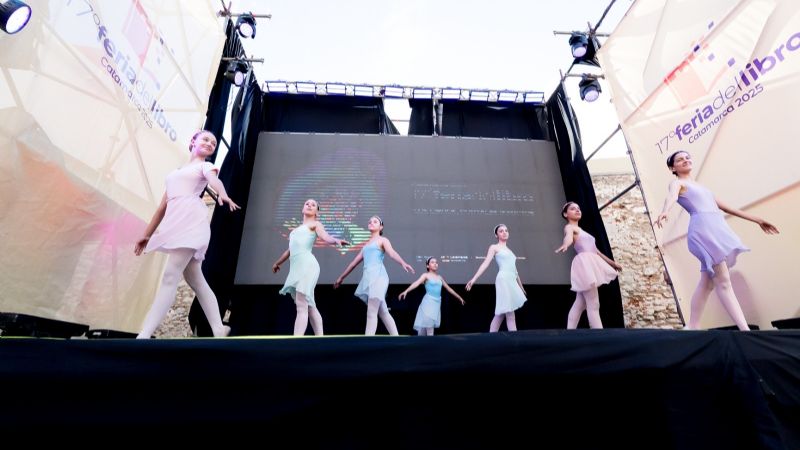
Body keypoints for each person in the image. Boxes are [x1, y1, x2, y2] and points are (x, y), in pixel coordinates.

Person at [654, 150, 779, 330]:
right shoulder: (677, 183)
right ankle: (744, 330)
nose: (685, 160)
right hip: (703, 230)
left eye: (687, 157)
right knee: (724, 281)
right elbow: (671, 197)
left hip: (716, 228)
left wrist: (758, 219)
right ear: (673, 167)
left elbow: (728, 208)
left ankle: (693, 325)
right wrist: (665, 211)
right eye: (680, 159)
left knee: (707, 283)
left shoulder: (702, 188)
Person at [134, 130, 240, 339]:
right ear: (193, 141)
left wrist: (223, 194)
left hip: (191, 223)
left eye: (214, 143)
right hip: (177, 222)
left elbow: (214, 181)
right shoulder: (175, 173)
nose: (210, 144)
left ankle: (144, 335)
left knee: (169, 276)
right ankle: (219, 330)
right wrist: (147, 234)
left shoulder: (206, 166)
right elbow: (161, 207)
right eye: (206, 139)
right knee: (196, 280)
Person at [272, 199, 349, 336]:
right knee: (310, 306)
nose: (309, 205)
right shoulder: (294, 231)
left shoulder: (315, 224)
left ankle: (296, 341)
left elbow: (325, 236)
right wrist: (277, 263)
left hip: (308, 266)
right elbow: (289, 250)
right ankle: (320, 338)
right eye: (307, 203)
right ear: (303, 209)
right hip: (297, 268)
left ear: (316, 213)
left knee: (301, 305)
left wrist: (335, 240)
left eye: (313, 205)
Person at [334, 216, 415, 335]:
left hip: (379, 277)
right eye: (370, 221)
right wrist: (341, 277)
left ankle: (368, 341)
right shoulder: (366, 246)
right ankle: (396, 338)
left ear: (381, 226)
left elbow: (391, 253)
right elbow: (353, 264)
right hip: (369, 278)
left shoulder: (383, 240)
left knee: (371, 311)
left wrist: (403, 262)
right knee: (383, 312)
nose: (371, 223)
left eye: (375, 221)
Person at [555, 202, 622, 329]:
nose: (577, 210)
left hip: (590, 262)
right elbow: (568, 237)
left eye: (578, 208)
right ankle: (599, 334)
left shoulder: (581, 230)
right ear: (565, 214)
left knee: (580, 303)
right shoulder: (570, 227)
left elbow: (596, 251)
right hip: (584, 264)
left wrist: (613, 264)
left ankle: (570, 332)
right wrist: (566, 244)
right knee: (593, 304)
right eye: (573, 209)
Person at [465, 224, 527, 332]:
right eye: (501, 231)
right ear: (496, 235)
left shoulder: (510, 251)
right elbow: (485, 263)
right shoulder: (494, 247)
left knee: (501, 313)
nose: (504, 232)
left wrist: (521, 287)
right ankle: (515, 341)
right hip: (503, 279)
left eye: (506, 230)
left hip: (511, 280)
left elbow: (515, 271)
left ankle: (491, 337)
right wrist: (474, 279)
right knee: (510, 313)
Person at [398, 257, 466, 336]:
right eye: (432, 262)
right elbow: (416, 283)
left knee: (423, 331)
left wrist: (459, 297)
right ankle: (427, 346)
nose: (435, 264)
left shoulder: (439, 277)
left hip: (436, 304)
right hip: (428, 303)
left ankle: (421, 345)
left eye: (436, 262)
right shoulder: (425, 275)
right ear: (427, 266)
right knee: (429, 329)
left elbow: (449, 289)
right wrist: (406, 291)